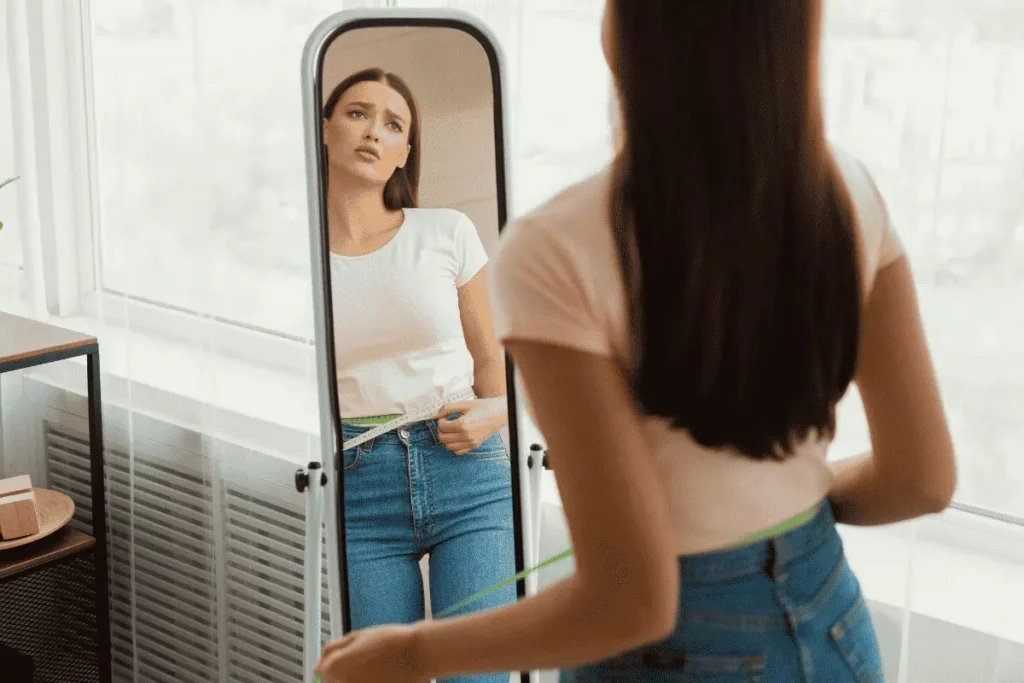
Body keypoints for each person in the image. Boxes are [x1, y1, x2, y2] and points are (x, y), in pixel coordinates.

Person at [316, 3, 958, 682]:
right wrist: (768, 506)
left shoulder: (554, 248)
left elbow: (630, 602)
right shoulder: (847, 188)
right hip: (833, 625)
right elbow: (921, 479)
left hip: (684, 651)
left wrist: (411, 653)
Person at [322, 67, 517, 683]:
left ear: (406, 151)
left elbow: (493, 361)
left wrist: (498, 412)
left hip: (467, 472)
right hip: (359, 482)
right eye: (357, 113)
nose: (373, 131)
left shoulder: (446, 232)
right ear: (325, 129)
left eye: (393, 123)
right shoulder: (293, 256)